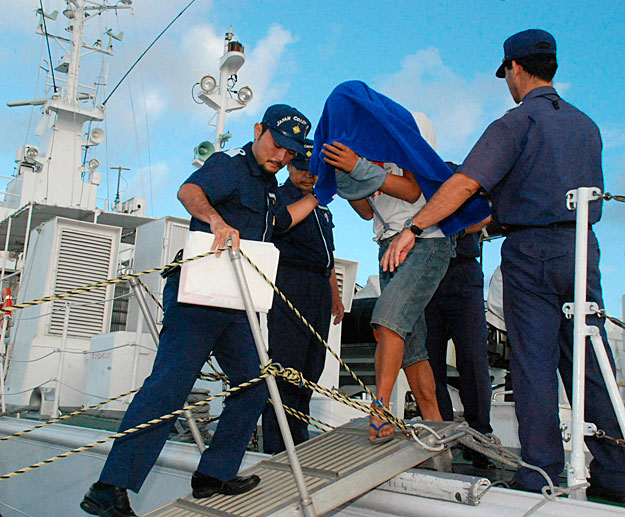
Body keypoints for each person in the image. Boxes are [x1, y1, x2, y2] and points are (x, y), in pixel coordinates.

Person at [382, 29, 625, 499]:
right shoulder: (587, 126)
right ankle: (616, 471)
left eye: (506, 73)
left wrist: (414, 228)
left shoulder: (515, 123)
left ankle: (542, 474)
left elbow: (466, 184)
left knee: (534, 364)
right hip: (582, 248)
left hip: (531, 254)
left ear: (515, 68)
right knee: (590, 357)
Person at [81, 105, 320, 516]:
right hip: (198, 295)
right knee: (169, 387)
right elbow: (189, 191)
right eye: (277, 145)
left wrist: (320, 195)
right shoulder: (229, 166)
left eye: (290, 153)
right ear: (259, 130)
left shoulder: (268, 189)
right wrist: (215, 222)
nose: (281, 157)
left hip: (236, 303)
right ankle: (109, 488)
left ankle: (213, 474)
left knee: (254, 382)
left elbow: (279, 221)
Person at [322, 127, 452, 443]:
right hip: (387, 246)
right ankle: (435, 425)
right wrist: (346, 178)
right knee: (412, 348)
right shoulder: (363, 153)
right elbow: (367, 211)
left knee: (386, 320)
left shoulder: (405, 131)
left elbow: (410, 190)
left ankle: (379, 409)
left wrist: (358, 167)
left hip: (424, 240)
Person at [262, 139, 344, 454]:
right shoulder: (280, 199)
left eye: (314, 172)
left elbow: (329, 255)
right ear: (291, 167)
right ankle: (277, 446)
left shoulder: (321, 205)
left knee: (312, 367)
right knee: (286, 366)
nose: (309, 176)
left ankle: (298, 440)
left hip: (319, 287)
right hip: (290, 282)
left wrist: (335, 294)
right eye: (302, 169)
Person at [422, 168, 493, 467]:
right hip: (427, 278)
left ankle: (480, 438)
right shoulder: (420, 182)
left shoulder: (455, 173)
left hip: (463, 275)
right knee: (431, 362)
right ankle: (445, 435)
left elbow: (485, 214)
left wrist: (455, 228)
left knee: (474, 360)